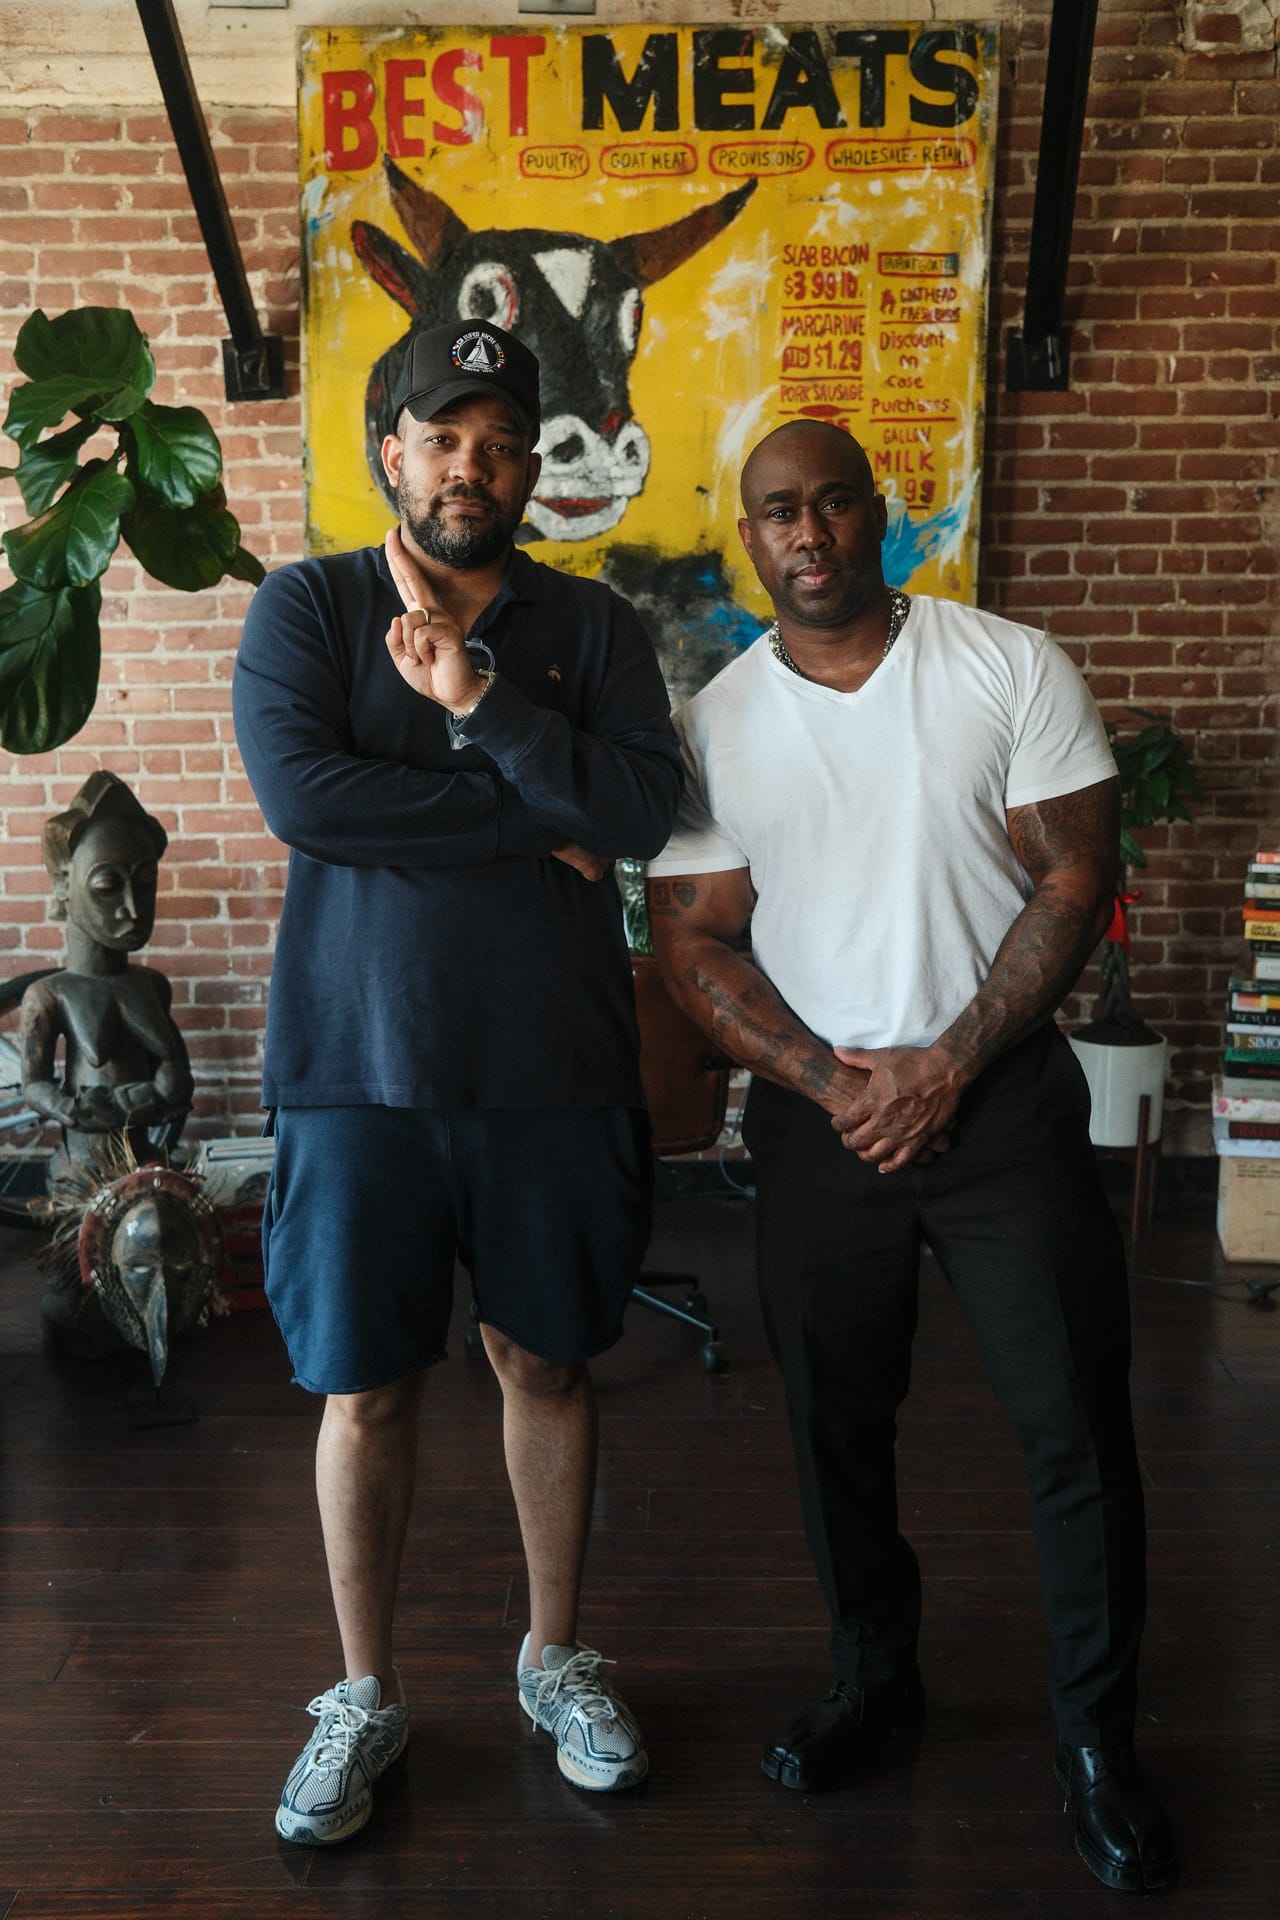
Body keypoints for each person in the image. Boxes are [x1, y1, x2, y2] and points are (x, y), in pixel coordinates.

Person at [646, 420, 1177, 1894]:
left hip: (999, 1106)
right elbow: (689, 933)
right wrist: (833, 1078)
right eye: (775, 514)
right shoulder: (720, 723)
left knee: (1074, 1432)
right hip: (826, 1128)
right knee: (836, 1434)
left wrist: (949, 1062)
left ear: (877, 514)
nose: (806, 533)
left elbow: (1080, 871)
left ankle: (1097, 1740)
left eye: (830, 504)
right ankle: (877, 1682)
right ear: (745, 538)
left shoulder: (1006, 664)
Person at [232, 319, 682, 1845]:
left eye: (501, 442)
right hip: (355, 1070)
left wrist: (484, 704)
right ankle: (363, 1693)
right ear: (391, 452)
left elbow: (633, 808)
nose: (472, 467)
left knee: (546, 1364)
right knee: (364, 1388)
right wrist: (516, 810)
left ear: (531, 465)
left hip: (550, 1065)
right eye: (444, 437)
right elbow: (308, 799)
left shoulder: (592, 626)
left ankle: (555, 1657)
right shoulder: (310, 608)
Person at [20, 770, 193, 1174]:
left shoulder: (152, 985)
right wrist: (69, 1107)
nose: (133, 908)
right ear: (64, 885)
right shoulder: (48, 996)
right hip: (84, 1169)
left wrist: (163, 1090)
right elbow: (35, 1085)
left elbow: (177, 1072)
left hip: (145, 1159)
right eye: (107, 885)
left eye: (146, 882)